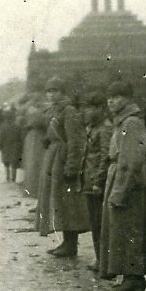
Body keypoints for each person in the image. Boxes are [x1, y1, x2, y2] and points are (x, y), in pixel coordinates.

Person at [97, 80, 146, 291]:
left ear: (128, 98)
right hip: (120, 176)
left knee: (131, 228)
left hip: (129, 183)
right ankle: (128, 275)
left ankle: (134, 277)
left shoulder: (131, 123)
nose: (111, 101)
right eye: (109, 97)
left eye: (117, 96)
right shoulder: (122, 122)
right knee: (121, 229)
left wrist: (120, 190)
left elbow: (132, 161)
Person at [37, 78, 90, 258]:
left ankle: (71, 244)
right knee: (59, 201)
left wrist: (72, 167)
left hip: (63, 160)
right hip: (54, 159)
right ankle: (66, 242)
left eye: (55, 91)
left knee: (69, 203)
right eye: (48, 91)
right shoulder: (53, 111)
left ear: (62, 92)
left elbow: (75, 141)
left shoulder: (69, 111)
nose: (51, 94)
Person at [80, 90, 111, 270]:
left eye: (92, 108)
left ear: (101, 109)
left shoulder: (105, 128)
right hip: (90, 181)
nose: (88, 112)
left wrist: (98, 181)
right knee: (95, 222)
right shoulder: (92, 127)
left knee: (101, 223)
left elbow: (105, 157)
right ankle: (100, 259)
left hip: (97, 183)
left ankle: (104, 261)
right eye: (86, 108)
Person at [0, 108, 24, 184]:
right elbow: (21, 137)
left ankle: (7, 178)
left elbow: (1, 138)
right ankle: (13, 179)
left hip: (6, 147)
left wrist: (0, 146)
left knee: (6, 163)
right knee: (14, 163)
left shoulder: (3, 126)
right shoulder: (17, 126)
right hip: (15, 147)